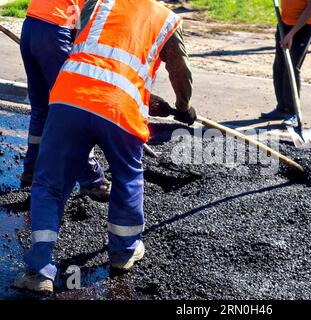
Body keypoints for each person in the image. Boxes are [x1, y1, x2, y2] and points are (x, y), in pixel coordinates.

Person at [14, 0, 196, 294]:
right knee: (127, 176)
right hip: (119, 109)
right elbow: (179, 70)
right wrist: (183, 106)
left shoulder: (100, 3)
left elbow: (95, 55)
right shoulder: (166, 19)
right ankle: (123, 251)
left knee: (49, 184)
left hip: (70, 97)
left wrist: (145, 95)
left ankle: (38, 272)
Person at [19, 0, 110, 201]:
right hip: (54, 31)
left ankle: (31, 171)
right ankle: (92, 180)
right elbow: (85, 30)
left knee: (41, 108)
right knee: (76, 107)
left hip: (31, 28)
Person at [260, 0, 311, 126]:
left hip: (305, 24)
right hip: (285, 20)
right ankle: (282, 108)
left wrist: (291, 34)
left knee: (292, 67)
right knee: (279, 66)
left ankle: (294, 113)